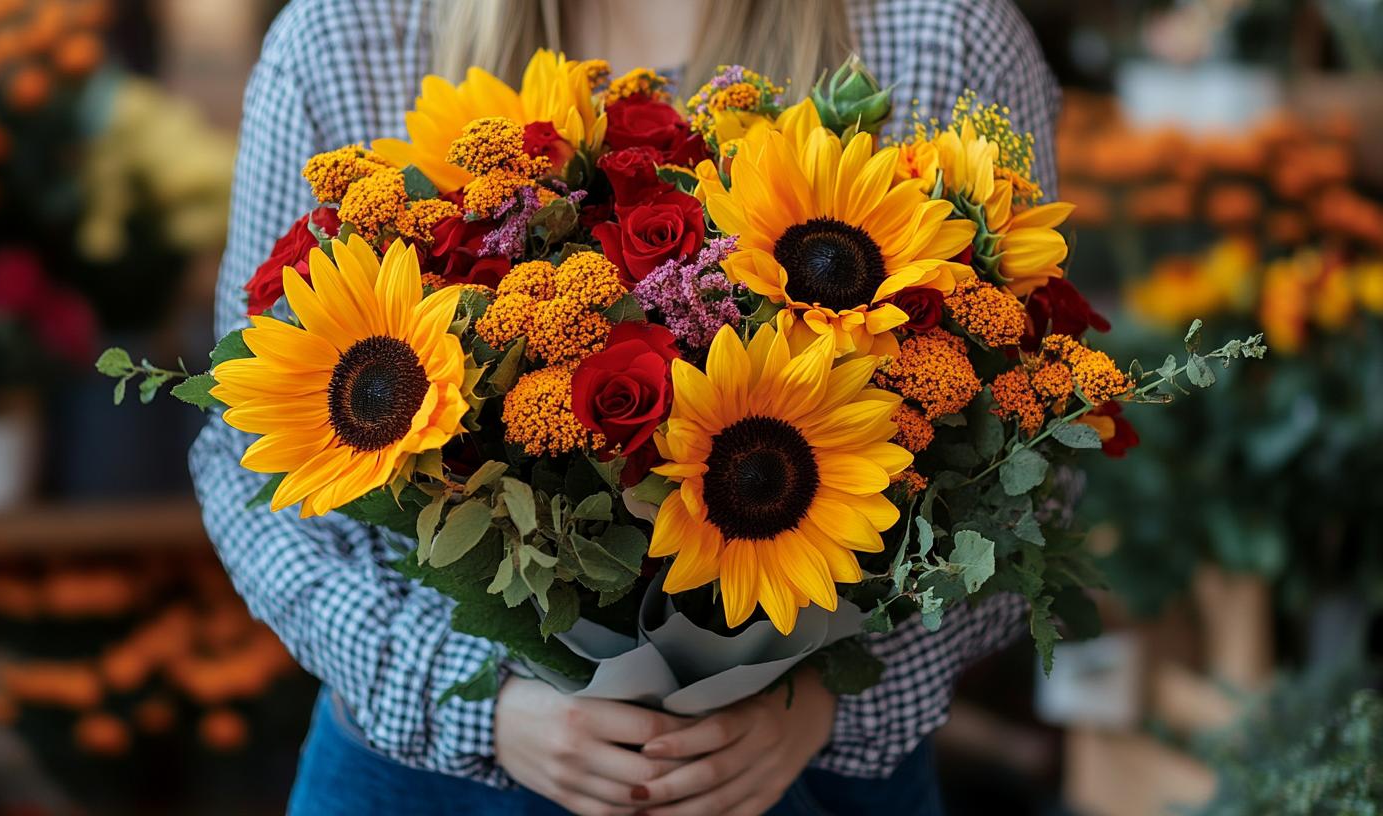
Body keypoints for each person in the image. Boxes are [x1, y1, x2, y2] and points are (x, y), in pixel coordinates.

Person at [189, 1, 1059, 813]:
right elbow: (249, 469)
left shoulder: (941, 34)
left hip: (797, 776)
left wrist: (832, 706)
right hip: (431, 772)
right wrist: (474, 703)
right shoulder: (350, 37)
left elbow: (1038, 466)